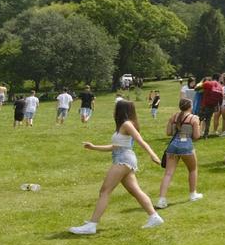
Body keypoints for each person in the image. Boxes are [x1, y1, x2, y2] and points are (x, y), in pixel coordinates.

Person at [68, 99, 163, 234]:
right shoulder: (122, 125)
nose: (113, 111)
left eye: (115, 108)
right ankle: (154, 217)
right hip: (122, 157)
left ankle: (92, 225)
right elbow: (114, 147)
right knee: (135, 191)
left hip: (123, 160)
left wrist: (153, 155)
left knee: (104, 191)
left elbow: (140, 141)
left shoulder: (127, 124)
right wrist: (94, 147)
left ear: (121, 110)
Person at [157, 99, 202, 208]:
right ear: (190, 106)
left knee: (168, 173)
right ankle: (193, 194)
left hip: (173, 146)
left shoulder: (174, 116)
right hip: (186, 145)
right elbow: (196, 136)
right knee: (192, 169)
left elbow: (168, 132)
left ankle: (161, 200)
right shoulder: (194, 119)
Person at [198, 73, 223, 137]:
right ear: (219, 78)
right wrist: (219, 105)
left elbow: (197, 88)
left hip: (204, 104)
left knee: (199, 119)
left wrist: (202, 81)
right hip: (212, 106)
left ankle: (195, 133)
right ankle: (205, 135)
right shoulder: (220, 86)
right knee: (208, 120)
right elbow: (221, 97)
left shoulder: (208, 83)